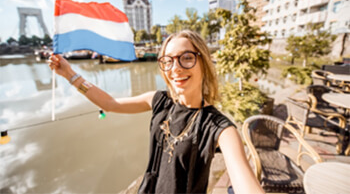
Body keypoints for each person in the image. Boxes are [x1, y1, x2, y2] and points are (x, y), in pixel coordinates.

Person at [48, 30, 264, 194]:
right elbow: (111, 103)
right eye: (168, 60)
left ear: (203, 62)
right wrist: (69, 74)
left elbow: (244, 182)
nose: (175, 68)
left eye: (186, 57)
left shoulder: (220, 128)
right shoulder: (159, 101)